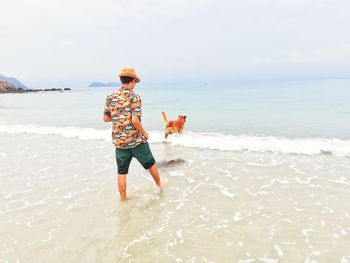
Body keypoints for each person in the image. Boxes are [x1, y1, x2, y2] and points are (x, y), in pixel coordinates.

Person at [103, 68, 161, 200]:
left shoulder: (110, 97)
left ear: (121, 80)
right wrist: (145, 133)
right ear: (133, 81)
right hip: (135, 140)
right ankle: (159, 185)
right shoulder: (135, 97)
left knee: (122, 172)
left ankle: (123, 199)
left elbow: (106, 119)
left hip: (119, 141)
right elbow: (135, 120)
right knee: (150, 163)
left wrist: (119, 115)